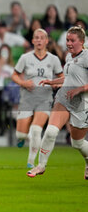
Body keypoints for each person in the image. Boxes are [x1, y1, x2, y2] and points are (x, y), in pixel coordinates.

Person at [27, 26, 88, 179]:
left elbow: (81, 82)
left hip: (81, 103)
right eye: (67, 40)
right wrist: (53, 81)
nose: (68, 43)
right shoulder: (69, 57)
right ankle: (41, 165)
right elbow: (69, 78)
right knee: (51, 132)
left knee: (77, 143)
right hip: (64, 98)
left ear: (81, 41)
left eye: (72, 40)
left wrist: (79, 89)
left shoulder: (86, 57)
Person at [11, 29, 63, 168]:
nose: (39, 40)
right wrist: (23, 83)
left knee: (36, 129)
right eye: (36, 38)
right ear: (33, 41)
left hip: (45, 98)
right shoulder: (25, 58)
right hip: (27, 97)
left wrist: (55, 83)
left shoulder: (54, 59)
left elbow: (62, 77)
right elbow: (14, 75)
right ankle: (22, 137)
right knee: (21, 134)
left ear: (46, 41)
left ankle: (31, 161)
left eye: (42, 38)